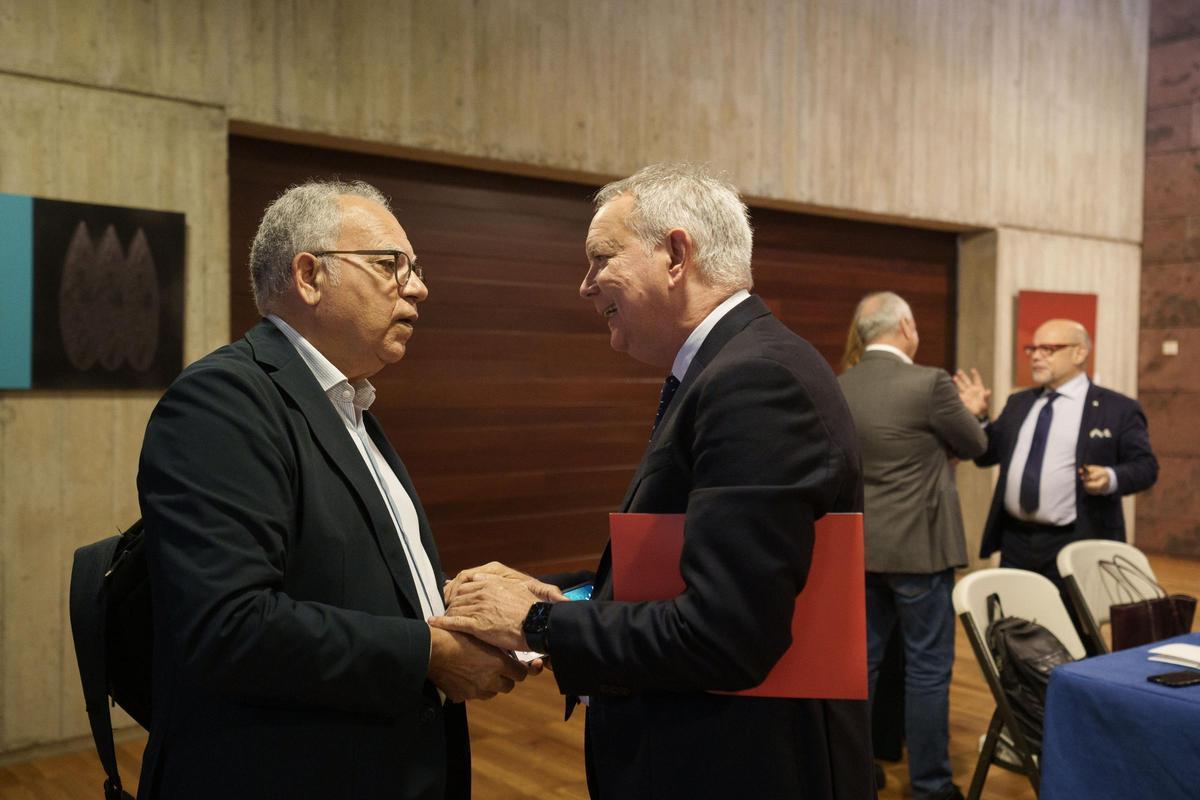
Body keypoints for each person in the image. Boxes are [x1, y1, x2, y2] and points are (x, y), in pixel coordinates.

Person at [432, 163, 875, 799]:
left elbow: (726, 636)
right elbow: (684, 570)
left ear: (674, 254)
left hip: (742, 767)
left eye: (599, 259)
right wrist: (562, 598)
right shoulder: (730, 367)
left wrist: (535, 624)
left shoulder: (755, 381)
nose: (585, 287)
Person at [136, 180, 533, 800]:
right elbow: (228, 626)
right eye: (390, 264)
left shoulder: (348, 404)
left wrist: (459, 598)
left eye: (417, 268)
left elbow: (339, 570)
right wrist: (427, 652)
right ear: (309, 275)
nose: (419, 286)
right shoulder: (222, 401)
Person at [839, 292, 986, 800]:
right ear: (905, 325)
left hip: (859, 550)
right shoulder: (930, 384)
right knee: (927, 670)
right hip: (921, 551)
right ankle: (930, 785)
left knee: (862, 667)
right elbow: (974, 444)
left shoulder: (841, 386)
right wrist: (969, 411)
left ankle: (854, 772)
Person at [954, 318, 1158, 588]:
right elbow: (987, 455)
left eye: (1048, 349)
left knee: (1073, 627)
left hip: (1075, 541)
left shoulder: (1117, 408)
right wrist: (980, 417)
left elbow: (1146, 467)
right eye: (1033, 349)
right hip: (1015, 541)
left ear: (1079, 353)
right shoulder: (1020, 403)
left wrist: (1110, 477)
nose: (1036, 356)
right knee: (1014, 626)